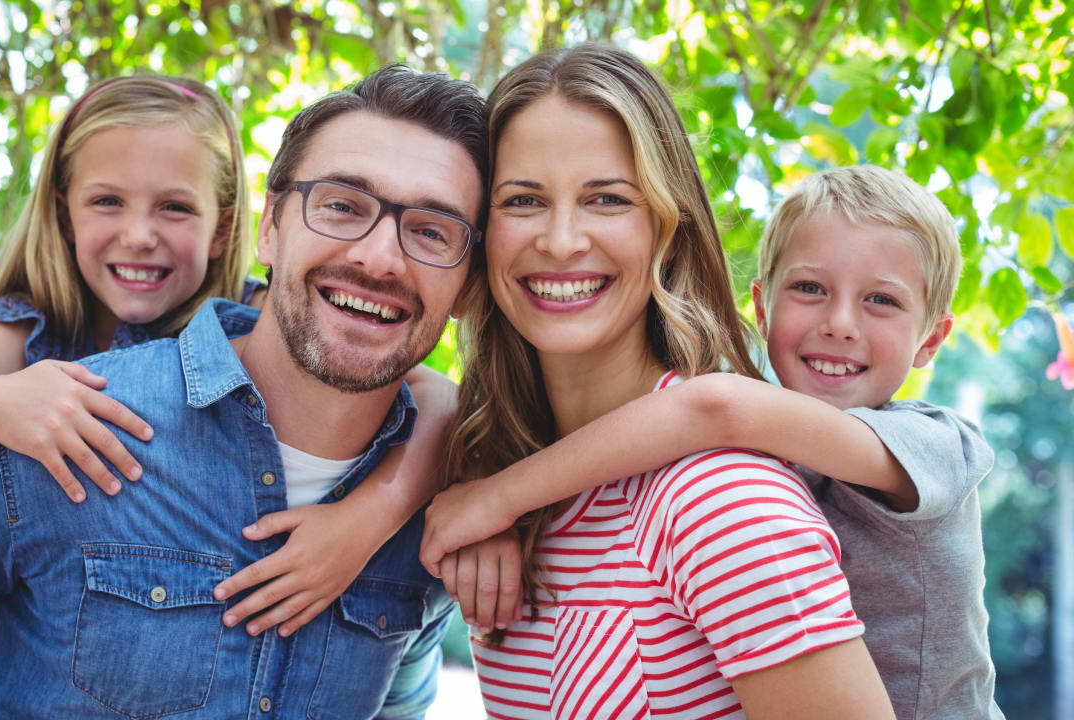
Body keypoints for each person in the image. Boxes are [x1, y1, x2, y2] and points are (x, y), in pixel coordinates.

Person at [0, 64, 496, 719]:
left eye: (431, 231)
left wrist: (381, 511)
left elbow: (435, 394)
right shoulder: (37, 394)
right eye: (342, 206)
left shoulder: (431, 505)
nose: (377, 256)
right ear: (269, 228)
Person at [422, 164, 1001, 719]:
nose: (840, 323)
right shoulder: (774, 434)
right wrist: (483, 473)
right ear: (762, 308)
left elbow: (713, 405)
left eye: (882, 300)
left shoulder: (939, 446)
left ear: (932, 339)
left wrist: (498, 497)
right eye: (809, 288)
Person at [426, 44, 894, 718]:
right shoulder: (501, 492)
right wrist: (489, 494)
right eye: (523, 200)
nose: (561, 241)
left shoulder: (722, 504)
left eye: (608, 199)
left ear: (667, 228)